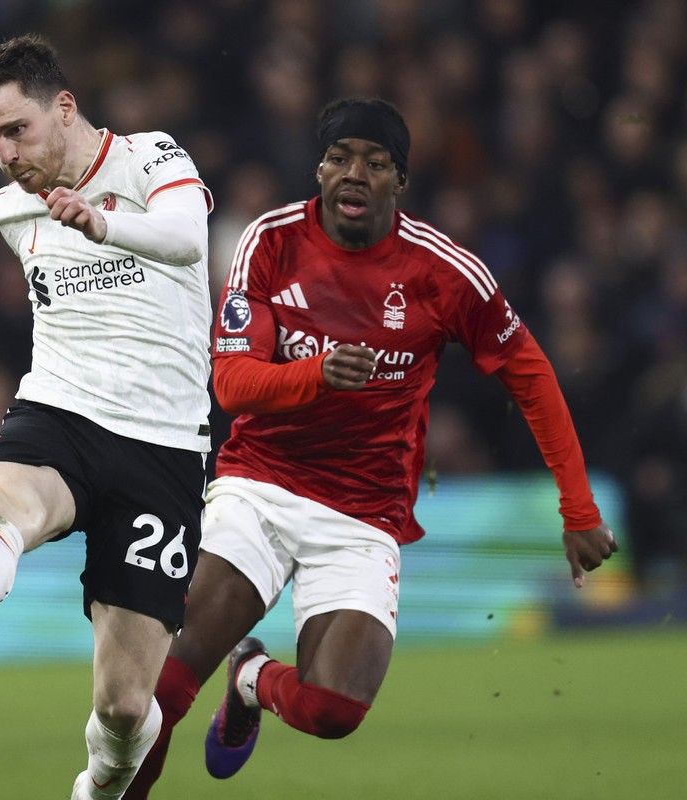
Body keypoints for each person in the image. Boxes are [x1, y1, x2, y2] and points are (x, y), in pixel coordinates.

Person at [122, 97, 618, 797]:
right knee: (162, 691)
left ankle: (251, 678)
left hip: (363, 512)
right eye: (339, 158)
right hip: (260, 487)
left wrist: (578, 507)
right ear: (319, 170)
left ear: (400, 181)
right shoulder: (269, 242)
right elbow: (231, 384)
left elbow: (530, 375)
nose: (354, 173)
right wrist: (316, 374)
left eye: (375, 163)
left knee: (333, 711)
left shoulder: (445, 273)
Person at [0, 34, 215, 799]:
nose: (6, 156)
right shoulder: (10, 208)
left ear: (64, 107)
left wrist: (100, 223)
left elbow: (188, 240)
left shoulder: (150, 158)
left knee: (125, 709)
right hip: (62, 407)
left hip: (163, 443)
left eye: (16, 130)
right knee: (2, 500)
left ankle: (99, 788)